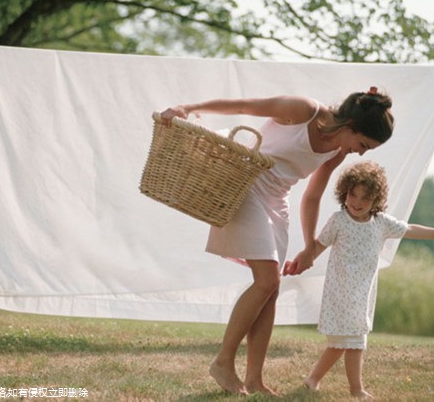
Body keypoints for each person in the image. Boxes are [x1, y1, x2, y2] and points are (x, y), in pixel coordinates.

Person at [160, 87, 394, 395]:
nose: (360, 153)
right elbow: (245, 104)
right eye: (363, 144)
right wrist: (186, 105)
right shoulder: (304, 110)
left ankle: (255, 379)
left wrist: (310, 244)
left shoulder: (337, 151)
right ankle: (223, 362)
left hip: (276, 203)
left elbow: (312, 196)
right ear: (351, 126)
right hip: (247, 186)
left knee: (271, 288)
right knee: (266, 280)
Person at [283, 160, 434, 399]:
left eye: (365, 198)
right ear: (344, 192)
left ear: (376, 200)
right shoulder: (339, 221)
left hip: (362, 294)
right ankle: (350, 388)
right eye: (352, 194)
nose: (356, 202)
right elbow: (316, 248)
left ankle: (316, 380)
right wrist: (298, 264)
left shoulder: (381, 224)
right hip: (341, 292)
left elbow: (409, 229)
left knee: (350, 342)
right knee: (347, 341)